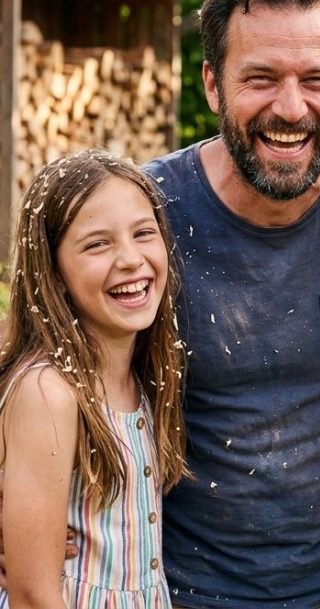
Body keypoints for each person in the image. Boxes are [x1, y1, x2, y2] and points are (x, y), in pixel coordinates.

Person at [141, 0, 320, 608]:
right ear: (211, 83)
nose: (290, 107)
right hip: (178, 589)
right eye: (260, 77)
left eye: (315, 79)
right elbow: (35, 350)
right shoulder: (145, 212)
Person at [0, 149, 187, 608]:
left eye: (144, 233)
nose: (129, 259)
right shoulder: (50, 392)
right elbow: (31, 593)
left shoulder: (142, 379)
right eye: (97, 244)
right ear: (54, 271)